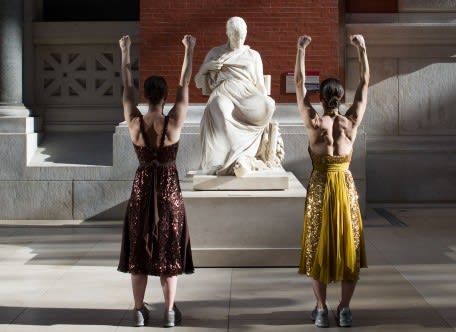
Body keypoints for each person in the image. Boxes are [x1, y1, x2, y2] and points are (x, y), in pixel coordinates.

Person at [117, 34, 196, 328]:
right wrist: (189, 49)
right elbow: (184, 84)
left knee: (140, 249)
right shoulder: (173, 120)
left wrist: (125, 52)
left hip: (142, 188)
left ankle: (138, 311)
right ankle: (171, 311)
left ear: (146, 95)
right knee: (168, 249)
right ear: (164, 96)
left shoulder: (134, 121)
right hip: (168, 190)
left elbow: (127, 85)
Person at [294, 34, 369, 328]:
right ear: (340, 96)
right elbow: (364, 84)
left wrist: (301, 49)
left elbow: (299, 85)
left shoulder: (315, 123)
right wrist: (361, 49)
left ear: (322, 98)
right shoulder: (350, 124)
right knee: (348, 245)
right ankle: (345, 309)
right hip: (345, 187)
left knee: (317, 246)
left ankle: (322, 310)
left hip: (321, 187)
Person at [194, 16, 276, 176]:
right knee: (218, 106)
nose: (239, 40)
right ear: (228, 34)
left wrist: (264, 99)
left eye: (242, 36)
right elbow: (198, 82)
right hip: (224, 93)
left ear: (246, 34)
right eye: (235, 36)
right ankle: (235, 157)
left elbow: (259, 83)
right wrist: (206, 67)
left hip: (247, 95)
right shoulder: (216, 53)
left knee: (269, 104)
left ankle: (243, 157)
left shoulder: (253, 55)